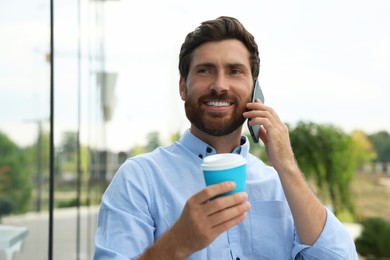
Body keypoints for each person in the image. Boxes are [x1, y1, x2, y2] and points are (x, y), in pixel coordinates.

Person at [94, 16, 357, 259]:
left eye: (234, 71)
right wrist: (176, 244)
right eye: (205, 70)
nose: (220, 85)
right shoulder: (139, 178)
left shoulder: (280, 184)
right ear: (183, 87)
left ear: (255, 88)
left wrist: (287, 164)